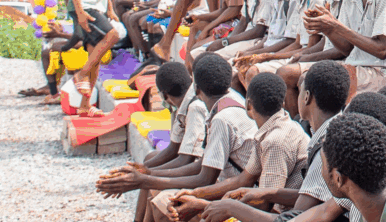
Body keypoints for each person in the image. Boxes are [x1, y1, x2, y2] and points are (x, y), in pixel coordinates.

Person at [99, 53, 256, 222]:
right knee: (156, 193)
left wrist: (144, 179)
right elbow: (203, 165)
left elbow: (205, 177)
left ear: (196, 89)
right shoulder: (231, 98)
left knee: (164, 205)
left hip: (244, 195)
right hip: (233, 184)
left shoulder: (220, 118)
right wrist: (147, 174)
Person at [200, 61, 352, 221]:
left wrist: (230, 208)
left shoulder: (325, 146)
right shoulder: (324, 133)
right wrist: (265, 193)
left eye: (299, 91)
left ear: (306, 97)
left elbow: (293, 218)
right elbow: (312, 196)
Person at [172, 72, 310, 217]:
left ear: (248, 105)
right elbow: (243, 179)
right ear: (282, 103)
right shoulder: (274, 128)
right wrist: (196, 193)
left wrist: (203, 205)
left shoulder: (275, 141)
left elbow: (265, 204)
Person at [96, 62, 203, 221]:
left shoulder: (195, 107)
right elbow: (173, 149)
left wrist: (144, 176)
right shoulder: (179, 106)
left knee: (152, 188)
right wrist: (138, 171)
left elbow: (186, 159)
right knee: (150, 159)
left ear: (164, 95)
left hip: (200, 170)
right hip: (192, 163)